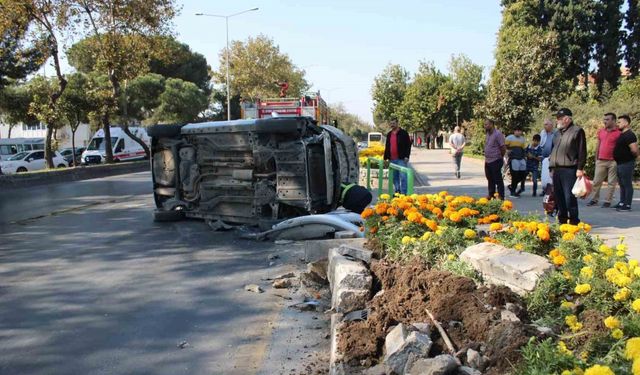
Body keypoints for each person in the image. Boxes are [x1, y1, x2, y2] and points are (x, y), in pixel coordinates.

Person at [549, 108, 587, 225]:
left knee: (569, 197)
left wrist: (580, 168)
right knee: (559, 197)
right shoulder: (556, 133)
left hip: (569, 169)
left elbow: (582, 151)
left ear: (567, 119)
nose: (557, 121)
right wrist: (551, 167)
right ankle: (562, 220)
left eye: (559, 118)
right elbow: (553, 150)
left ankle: (574, 221)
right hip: (556, 169)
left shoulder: (577, 131)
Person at [587, 113, 621, 208]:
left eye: (607, 119)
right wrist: (596, 158)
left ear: (613, 120)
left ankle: (607, 201)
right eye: (604, 119)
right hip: (601, 160)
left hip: (613, 161)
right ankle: (594, 199)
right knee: (596, 181)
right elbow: (598, 145)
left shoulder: (619, 133)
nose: (605, 121)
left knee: (611, 182)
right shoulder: (601, 131)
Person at [613, 115, 638, 212]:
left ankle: (627, 205)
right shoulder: (622, 134)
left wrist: (633, 157)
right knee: (622, 183)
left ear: (626, 123)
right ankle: (622, 202)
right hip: (620, 163)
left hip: (627, 163)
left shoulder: (630, 135)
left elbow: (635, 149)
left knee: (627, 184)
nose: (617, 124)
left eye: (619, 122)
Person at [383, 119, 412, 195]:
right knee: (394, 178)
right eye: (391, 123)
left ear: (397, 123)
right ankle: (397, 192)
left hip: (401, 159)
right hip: (392, 159)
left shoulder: (404, 133)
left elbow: (408, 145)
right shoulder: (389, 134)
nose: (392, 125)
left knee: (403, 177)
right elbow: (387, 146)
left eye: (394, 123)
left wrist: (407, 156)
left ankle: (403, 193)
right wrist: (385, 158)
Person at [483, 119, 506, 199]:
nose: (485, 126)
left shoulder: (498, 134)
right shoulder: (488, 134)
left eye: (487, 124)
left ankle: (501, 196)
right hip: (488, 160)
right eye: (485, 125)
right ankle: (491, 194)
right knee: (489, 178)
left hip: (496, 160)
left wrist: (500, 156)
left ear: (492, 124)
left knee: (498, 179)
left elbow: (503, 147)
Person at [505, 126, 527, 197]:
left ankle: (512, 186)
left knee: (523, 175)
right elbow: (504, 147)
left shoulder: (522, 139)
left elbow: (523, 149)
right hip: (513, 158)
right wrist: (506, 153)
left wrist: (524, 157)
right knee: (514, 175)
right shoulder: (509, 138)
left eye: (519, 130)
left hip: (521, 158)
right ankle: (513, 191)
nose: (518, 132)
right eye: (516, 130)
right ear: (514, 131)